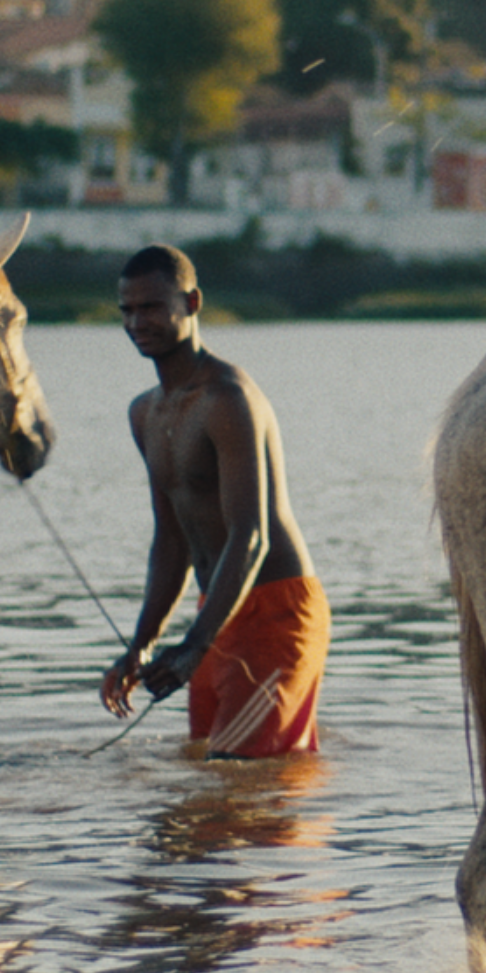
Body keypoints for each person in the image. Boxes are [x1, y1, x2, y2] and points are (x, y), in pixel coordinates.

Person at [98, 244, 329, 756]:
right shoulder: (145, 413)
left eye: (152, 307)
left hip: (274, 610)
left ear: (192, 302)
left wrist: (194, 646)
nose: (138, 321)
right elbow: (172, 542)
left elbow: (252, 537)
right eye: (127, 310)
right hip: (216, 611)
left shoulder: (227, 399)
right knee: (207, 780)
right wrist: (141, 647)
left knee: (243, 782)